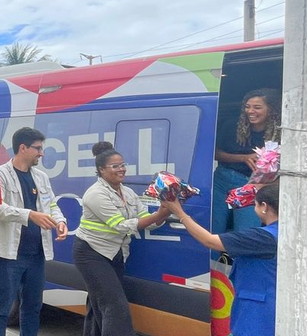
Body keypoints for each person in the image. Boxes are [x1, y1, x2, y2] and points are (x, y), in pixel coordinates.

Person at [73, 141, 173, 336]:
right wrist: (160, 213)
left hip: (116, 253)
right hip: (91, 253)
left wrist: (166, 212)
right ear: (101, 170)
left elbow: (146, 220)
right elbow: (122, 226)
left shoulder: (127, 192)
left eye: (123, 165)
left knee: (98, 305)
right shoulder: (95, 194)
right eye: (115, 166)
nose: (122, 169)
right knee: (115, 305)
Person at [161, 183, 279, 336]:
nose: (252, 207)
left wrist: (179, 213)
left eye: (254, 204)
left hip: (256, 313)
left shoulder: (262, 237)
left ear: (264, 206)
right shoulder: (287, 231)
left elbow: (209, 241)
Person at [0, 127, 69, 336]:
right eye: (38, 148)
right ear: (23, 148)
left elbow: (51, 205)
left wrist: (60, 221)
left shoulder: (40, 176)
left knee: (32, 308)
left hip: (36, 254)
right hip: (9, 255)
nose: (41, 153)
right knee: (1, 311)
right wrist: (30, 215)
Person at [213, 88, 281, 234]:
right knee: (213, 226)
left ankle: (240, 258)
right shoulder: (231, 126)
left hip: (255, 186)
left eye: (257, 107)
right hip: (223, 179)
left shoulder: (280, 132)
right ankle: (213, 257)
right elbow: (215, 153)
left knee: (246, 231)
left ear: (271, 109)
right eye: (247, 107)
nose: (250, 111)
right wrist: (244, 158)